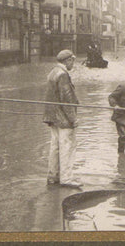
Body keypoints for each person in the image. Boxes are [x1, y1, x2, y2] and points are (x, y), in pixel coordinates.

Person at [43, 49, 82, 188]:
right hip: (63, 119)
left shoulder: (52, 72)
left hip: (52, 117)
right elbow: (67, 99)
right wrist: (73, 118)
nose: (73, 64)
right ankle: (67, 178)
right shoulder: (63, 75)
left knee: (55, 147)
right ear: (68, 60)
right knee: (67, 147)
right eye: (73, 61)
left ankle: (53, 176)